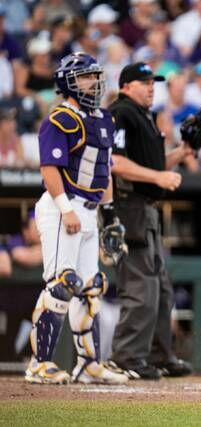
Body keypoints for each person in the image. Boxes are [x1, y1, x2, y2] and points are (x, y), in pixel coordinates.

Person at [25, 53, 128, 385]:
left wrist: (109, 215)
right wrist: (65, 208)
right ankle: (39, 363)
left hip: (90, 210)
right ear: (68, 82)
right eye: (85, 77)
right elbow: (49, 169)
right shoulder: (59, 119)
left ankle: (88, 364)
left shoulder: (104, 118)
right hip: (62, 206)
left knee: (90, 287)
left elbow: (105, 171)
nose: (93, 83)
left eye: (95, 76)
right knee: (62, 282)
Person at [107, 62, 195, 380]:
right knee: (141, 287)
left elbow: (155, 163)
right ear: (127, 86)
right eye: (144, 82)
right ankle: (126, 357)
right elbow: (113, 161)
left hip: (146, 207)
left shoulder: (144, 116)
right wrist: (158, 175)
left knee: (161, 289)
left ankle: (159, 355)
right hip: (127, 205)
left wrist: (183, 150)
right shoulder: (121, 111)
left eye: (153, 82)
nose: (151, 86)